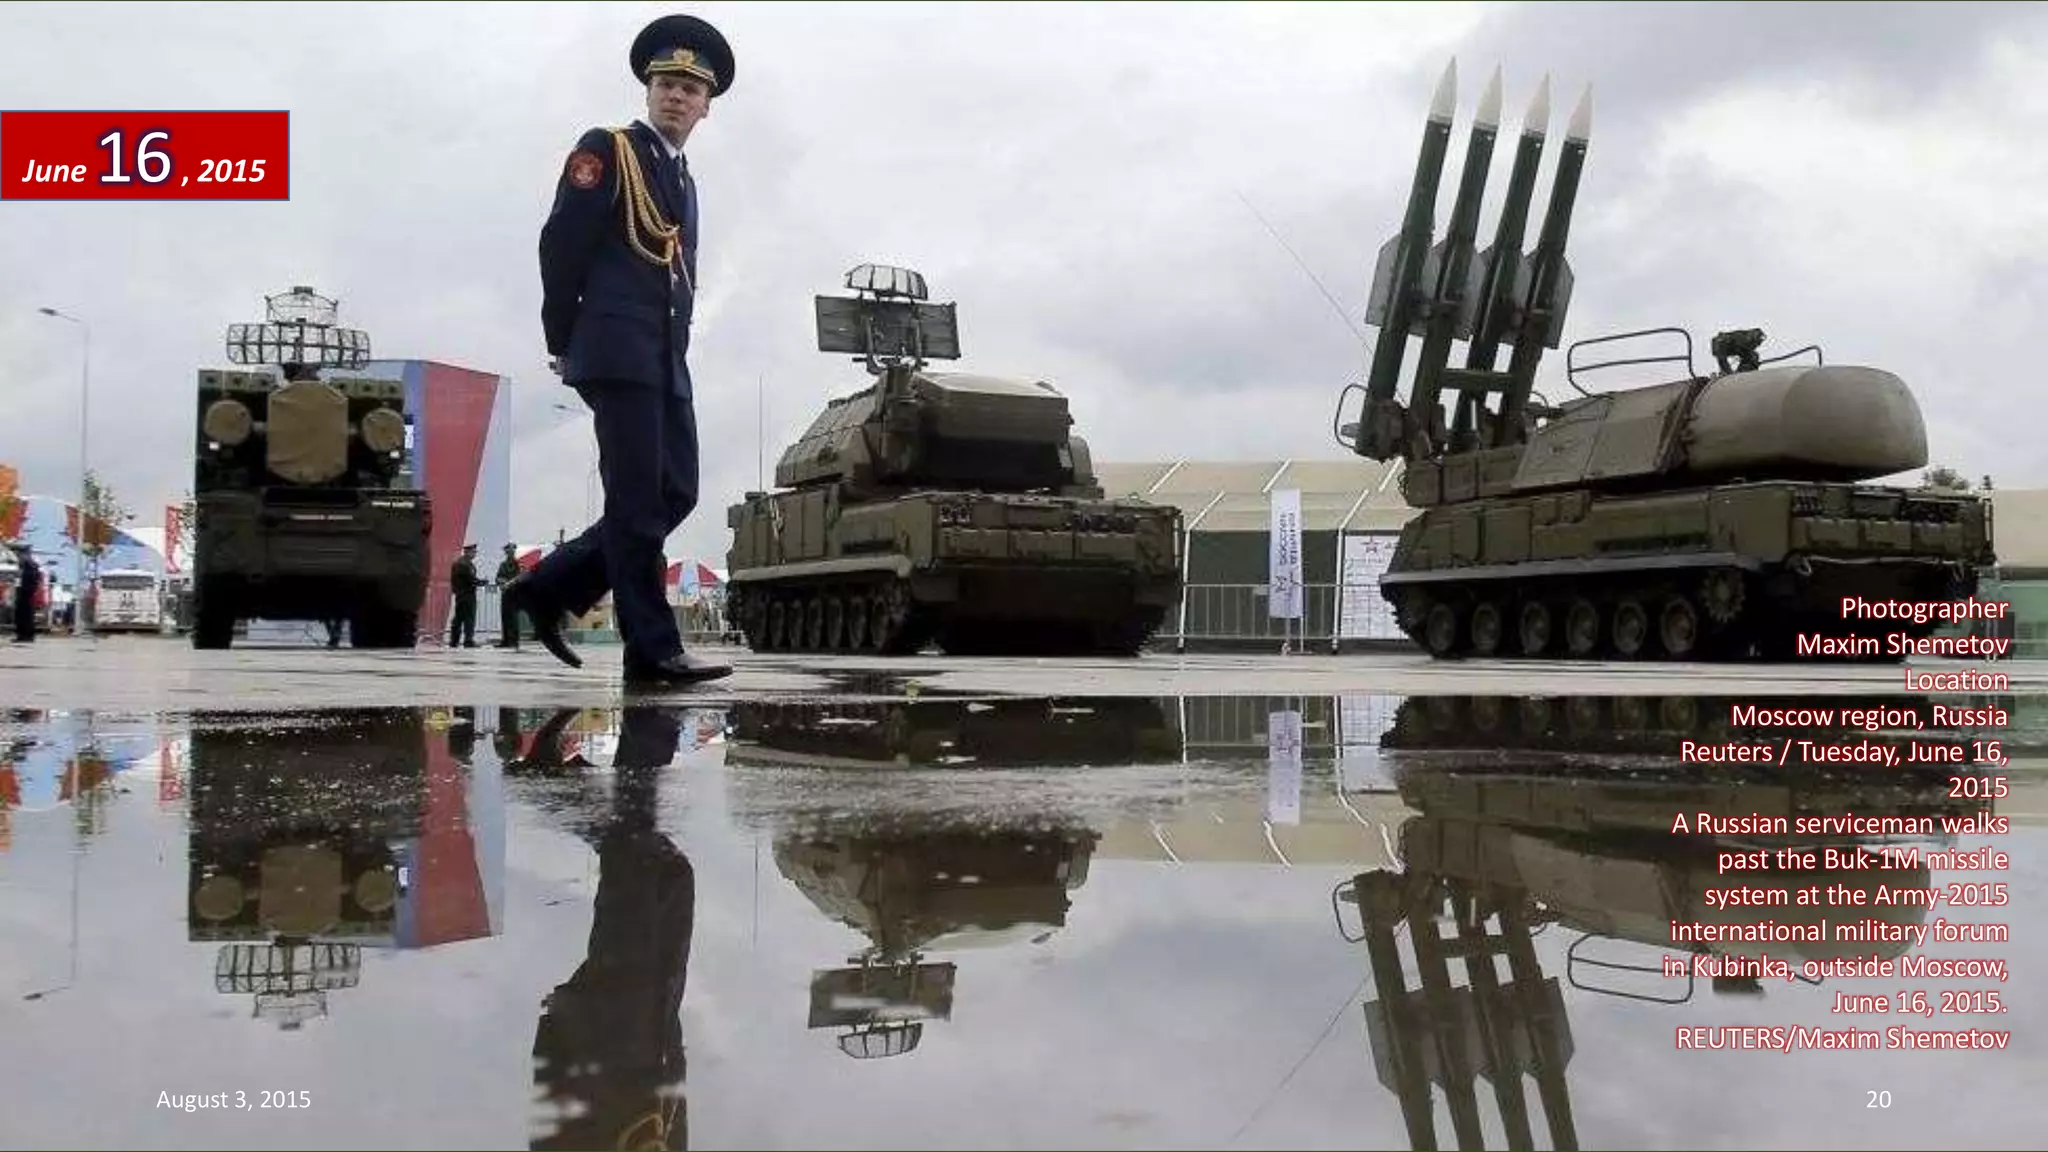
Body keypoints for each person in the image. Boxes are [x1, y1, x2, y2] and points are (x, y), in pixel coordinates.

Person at [504, 13, 736, 689]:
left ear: (707, 106)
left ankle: (548, 587)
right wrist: (561, 337)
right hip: (614, 348)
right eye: (666, 83)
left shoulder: (682, 178)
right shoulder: (607, 150)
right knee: (636, 502)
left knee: (677, 490)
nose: (676, 97)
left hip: (664, 355)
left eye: (691, 90)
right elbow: (561, 244)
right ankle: (652, 651)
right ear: (647, 88)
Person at [527, 706, 694, 1150]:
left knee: (639, 862)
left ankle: (554, 781)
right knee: (670, 873)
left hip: (610, 1038)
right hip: (656, 1037)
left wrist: (556, 1033)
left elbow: (552, 1126)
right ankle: (555, 781)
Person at [448, 543, 484, 648]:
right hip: (466, 594)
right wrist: (480, 582)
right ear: (467, 552)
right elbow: (470, 579)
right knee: (468, 618)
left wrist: (478, 581)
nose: (475, 554)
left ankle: (454, 641)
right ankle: (468, 640)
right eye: (473, 552)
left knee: (459, 618)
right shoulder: (463, 564)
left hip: (462, 594)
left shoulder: (464, 563)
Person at [495, 543, 524, 649]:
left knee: (513, 618)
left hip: (515, 594)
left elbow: (521, 577)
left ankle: (514, 641)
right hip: (505, 593)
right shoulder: (503, 564)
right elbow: (498, 577)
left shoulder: (519, 564)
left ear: (514, 552)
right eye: (508, 551)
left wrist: (512, 583)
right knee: (505, 617)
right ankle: (506, 640)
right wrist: (501, 582)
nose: (509, 552)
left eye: (512, 550)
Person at [9, 542, 39, 643]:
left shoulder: (29, 565)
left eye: (19, 554)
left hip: (26, 592)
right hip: (26, 592)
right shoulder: (29, 564)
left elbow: (30, 579)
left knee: (24, 615)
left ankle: (24, 635)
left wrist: (25, 589)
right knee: (24, 614)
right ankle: (24, 635)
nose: (18, 556)